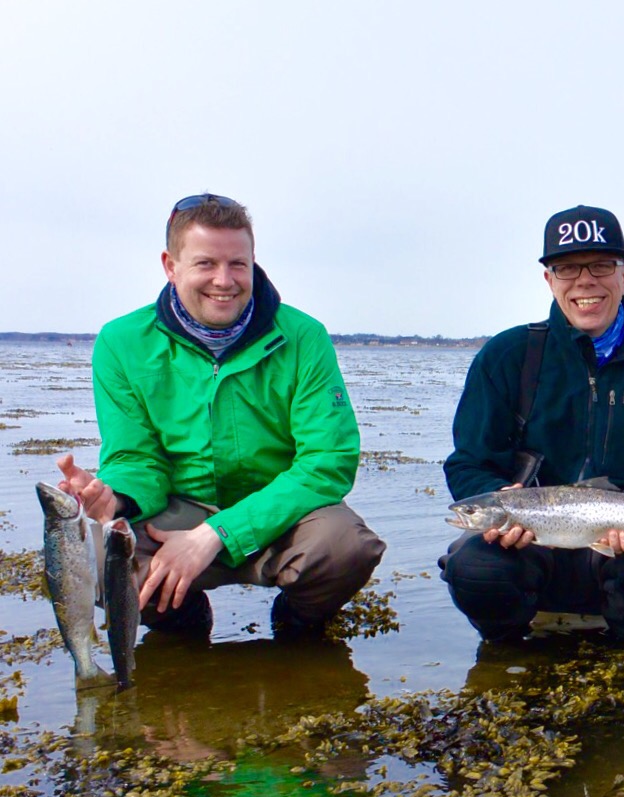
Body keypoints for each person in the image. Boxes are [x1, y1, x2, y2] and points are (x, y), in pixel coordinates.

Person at [56, 193, 385, 638]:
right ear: (170, 266)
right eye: (206, 264)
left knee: (347, 546)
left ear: (253, 263)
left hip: (280, 512)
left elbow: (327, 462)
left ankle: (297, 622)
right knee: (98, 555)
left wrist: (216, 534)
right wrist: (114, 498)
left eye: (237, 264)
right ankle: (183, 621)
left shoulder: (304, 337)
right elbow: (136, 458)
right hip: (177, 511)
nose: (224, 280)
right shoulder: (121, 342)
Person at [439, 205, 624, 643]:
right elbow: (468, 463)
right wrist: (499, 497)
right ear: (549, 280)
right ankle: (507, 655)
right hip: (527, 548)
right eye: (567, 268)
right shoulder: (506, 356)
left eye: (601, 265)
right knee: (475, 569)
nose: (585, 281)